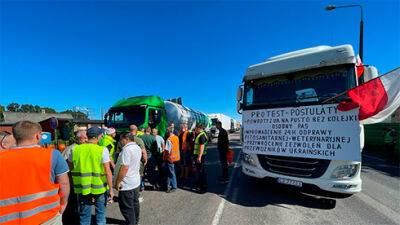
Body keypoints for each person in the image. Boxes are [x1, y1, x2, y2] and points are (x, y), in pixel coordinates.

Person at [0, 121, 70, 224]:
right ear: (37, 136)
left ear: (15, 136)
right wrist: (63, 204)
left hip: (8, 219)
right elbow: (64, 184)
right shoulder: (53, 155)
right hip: (47, 216)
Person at [68, 126, 114, 225]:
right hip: (100, 187)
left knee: (84, 216)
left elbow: (70, 167)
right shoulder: (102, 150)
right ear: (97, 137)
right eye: (101, 135)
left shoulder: (75, 149)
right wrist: (111, 189)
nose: (102, 137)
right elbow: (107, 171)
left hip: (82, 187)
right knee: (101, 214)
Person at [114, 133, 142, 225]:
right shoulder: (137, 147)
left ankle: (131, 222)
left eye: (121, 140)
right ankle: (135, 220)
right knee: (134, 203)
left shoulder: (127, 150)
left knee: (126, 206)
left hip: (127, 183)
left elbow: (124, 167)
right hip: (135, 181)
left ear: (126, 139)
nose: (120, 142)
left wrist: (118, 182)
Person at [62, 130, 88, 224]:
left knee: (77, 204)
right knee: (72, 203)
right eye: (85, 137)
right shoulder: (72, 149)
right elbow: (66, 167)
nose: (86, 139)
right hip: (72, 181)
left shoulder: (80, 147)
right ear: (80, 138)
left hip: (79, 180)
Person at [129, 124, 147, 200]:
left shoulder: (123, 140)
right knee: (138, 178)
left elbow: (118, 153)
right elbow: (143, 152)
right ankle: (136, 196)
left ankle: (129, 195)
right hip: (138, 162)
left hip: (127, 162)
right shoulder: (139, 140)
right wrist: (145, 160)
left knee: (128, 178)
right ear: (136, 131)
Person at [192, 123, 208, 193]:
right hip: (199, 155)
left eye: (195, 128)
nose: (195, 130)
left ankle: (202, 187)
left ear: (199, 128)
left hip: (200, 156)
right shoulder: (201, 134)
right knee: (200, 171)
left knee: (200, 171)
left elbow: (202, 146)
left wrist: (199, 157)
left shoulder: (202, 135)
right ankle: (200, 184)